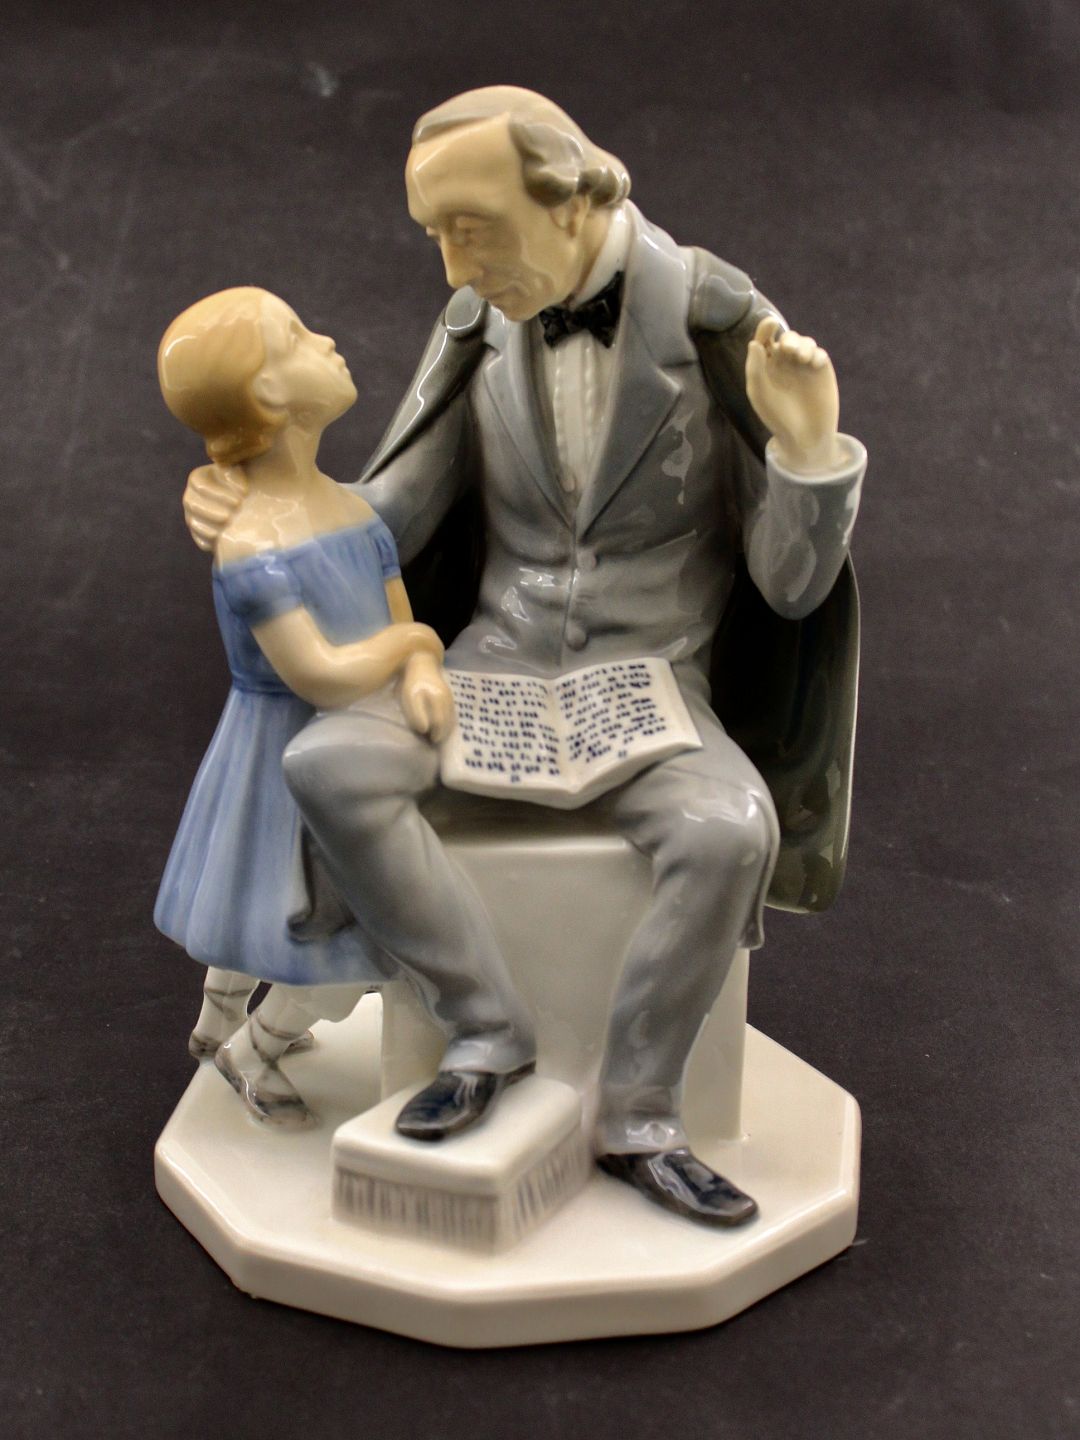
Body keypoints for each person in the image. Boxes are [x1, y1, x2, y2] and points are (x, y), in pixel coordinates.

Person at [183, 88, 865, 1227]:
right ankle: (483, 1027)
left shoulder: (714, 321)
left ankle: (639, 1112)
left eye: (474, 229)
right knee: (330, 766)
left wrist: (807, 446)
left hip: (653, 680)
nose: (455, 268)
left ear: (574, 198)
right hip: (492, 665)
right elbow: (393, 510)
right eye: (436, 236)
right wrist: (266, 502)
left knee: (726, 830)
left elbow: (790, 585)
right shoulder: (479, 324)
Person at [157, 286, 458, 1126]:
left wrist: (420, 665)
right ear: (268, 394)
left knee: (271, 913)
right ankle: (250, 1046)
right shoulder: (254, 543)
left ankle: (222, 1020)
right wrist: (416, 646)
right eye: (296, 336)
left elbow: (397, 623)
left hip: (350, 744)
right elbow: (319, 674)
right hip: (287, 753)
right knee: (325, 928)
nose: (326, 338)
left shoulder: (355, 512)